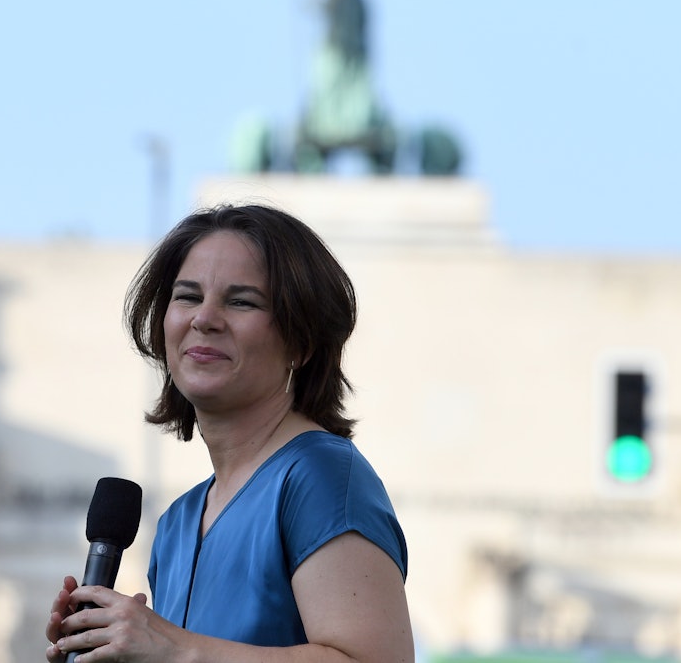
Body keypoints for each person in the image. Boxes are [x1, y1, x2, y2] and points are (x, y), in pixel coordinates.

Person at [46, 203, 412, 662]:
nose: (205, 318)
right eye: (187, 296)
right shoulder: (176, 524)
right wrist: (121, 649)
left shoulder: (321, 477)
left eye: (241, 301)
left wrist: (171, 646)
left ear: (301, 341)